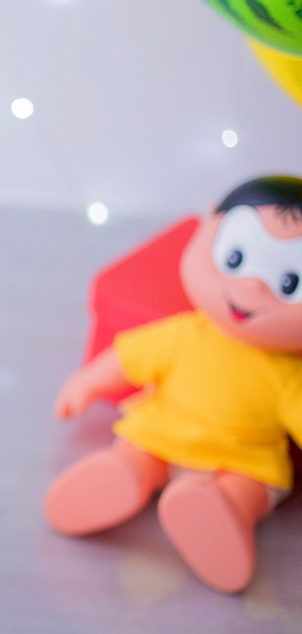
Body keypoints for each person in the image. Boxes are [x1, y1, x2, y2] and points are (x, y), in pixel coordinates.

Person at [48, 176, 302, 594]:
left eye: (289, 283)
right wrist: (87, 382)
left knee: (246, 491)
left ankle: (223, 515)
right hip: (162, 433)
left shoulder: (289, 373)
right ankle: (122, 477)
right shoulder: (184, 333)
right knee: (137, 453)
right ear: (208, 227)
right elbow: (128, 359)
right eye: (235, 259)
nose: (252, 289)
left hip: (243, 461)